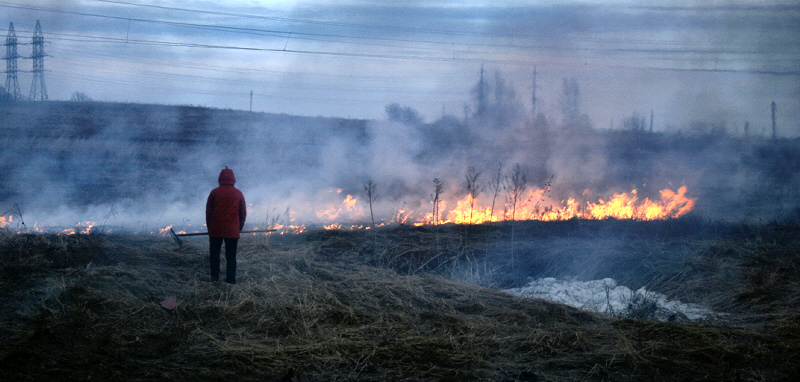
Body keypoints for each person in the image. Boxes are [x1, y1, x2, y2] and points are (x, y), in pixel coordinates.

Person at [206, 166, 246, 284]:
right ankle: (230, 280)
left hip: (215, 230)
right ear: (233, 179)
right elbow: (243, 213)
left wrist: (210, 228)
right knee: (231, 257)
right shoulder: (238, 193)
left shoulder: (214, 192)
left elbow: (208, 212)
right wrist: (238, 228)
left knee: (214, 255)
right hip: (232, 231)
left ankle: (214, 278)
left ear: (220, 179)